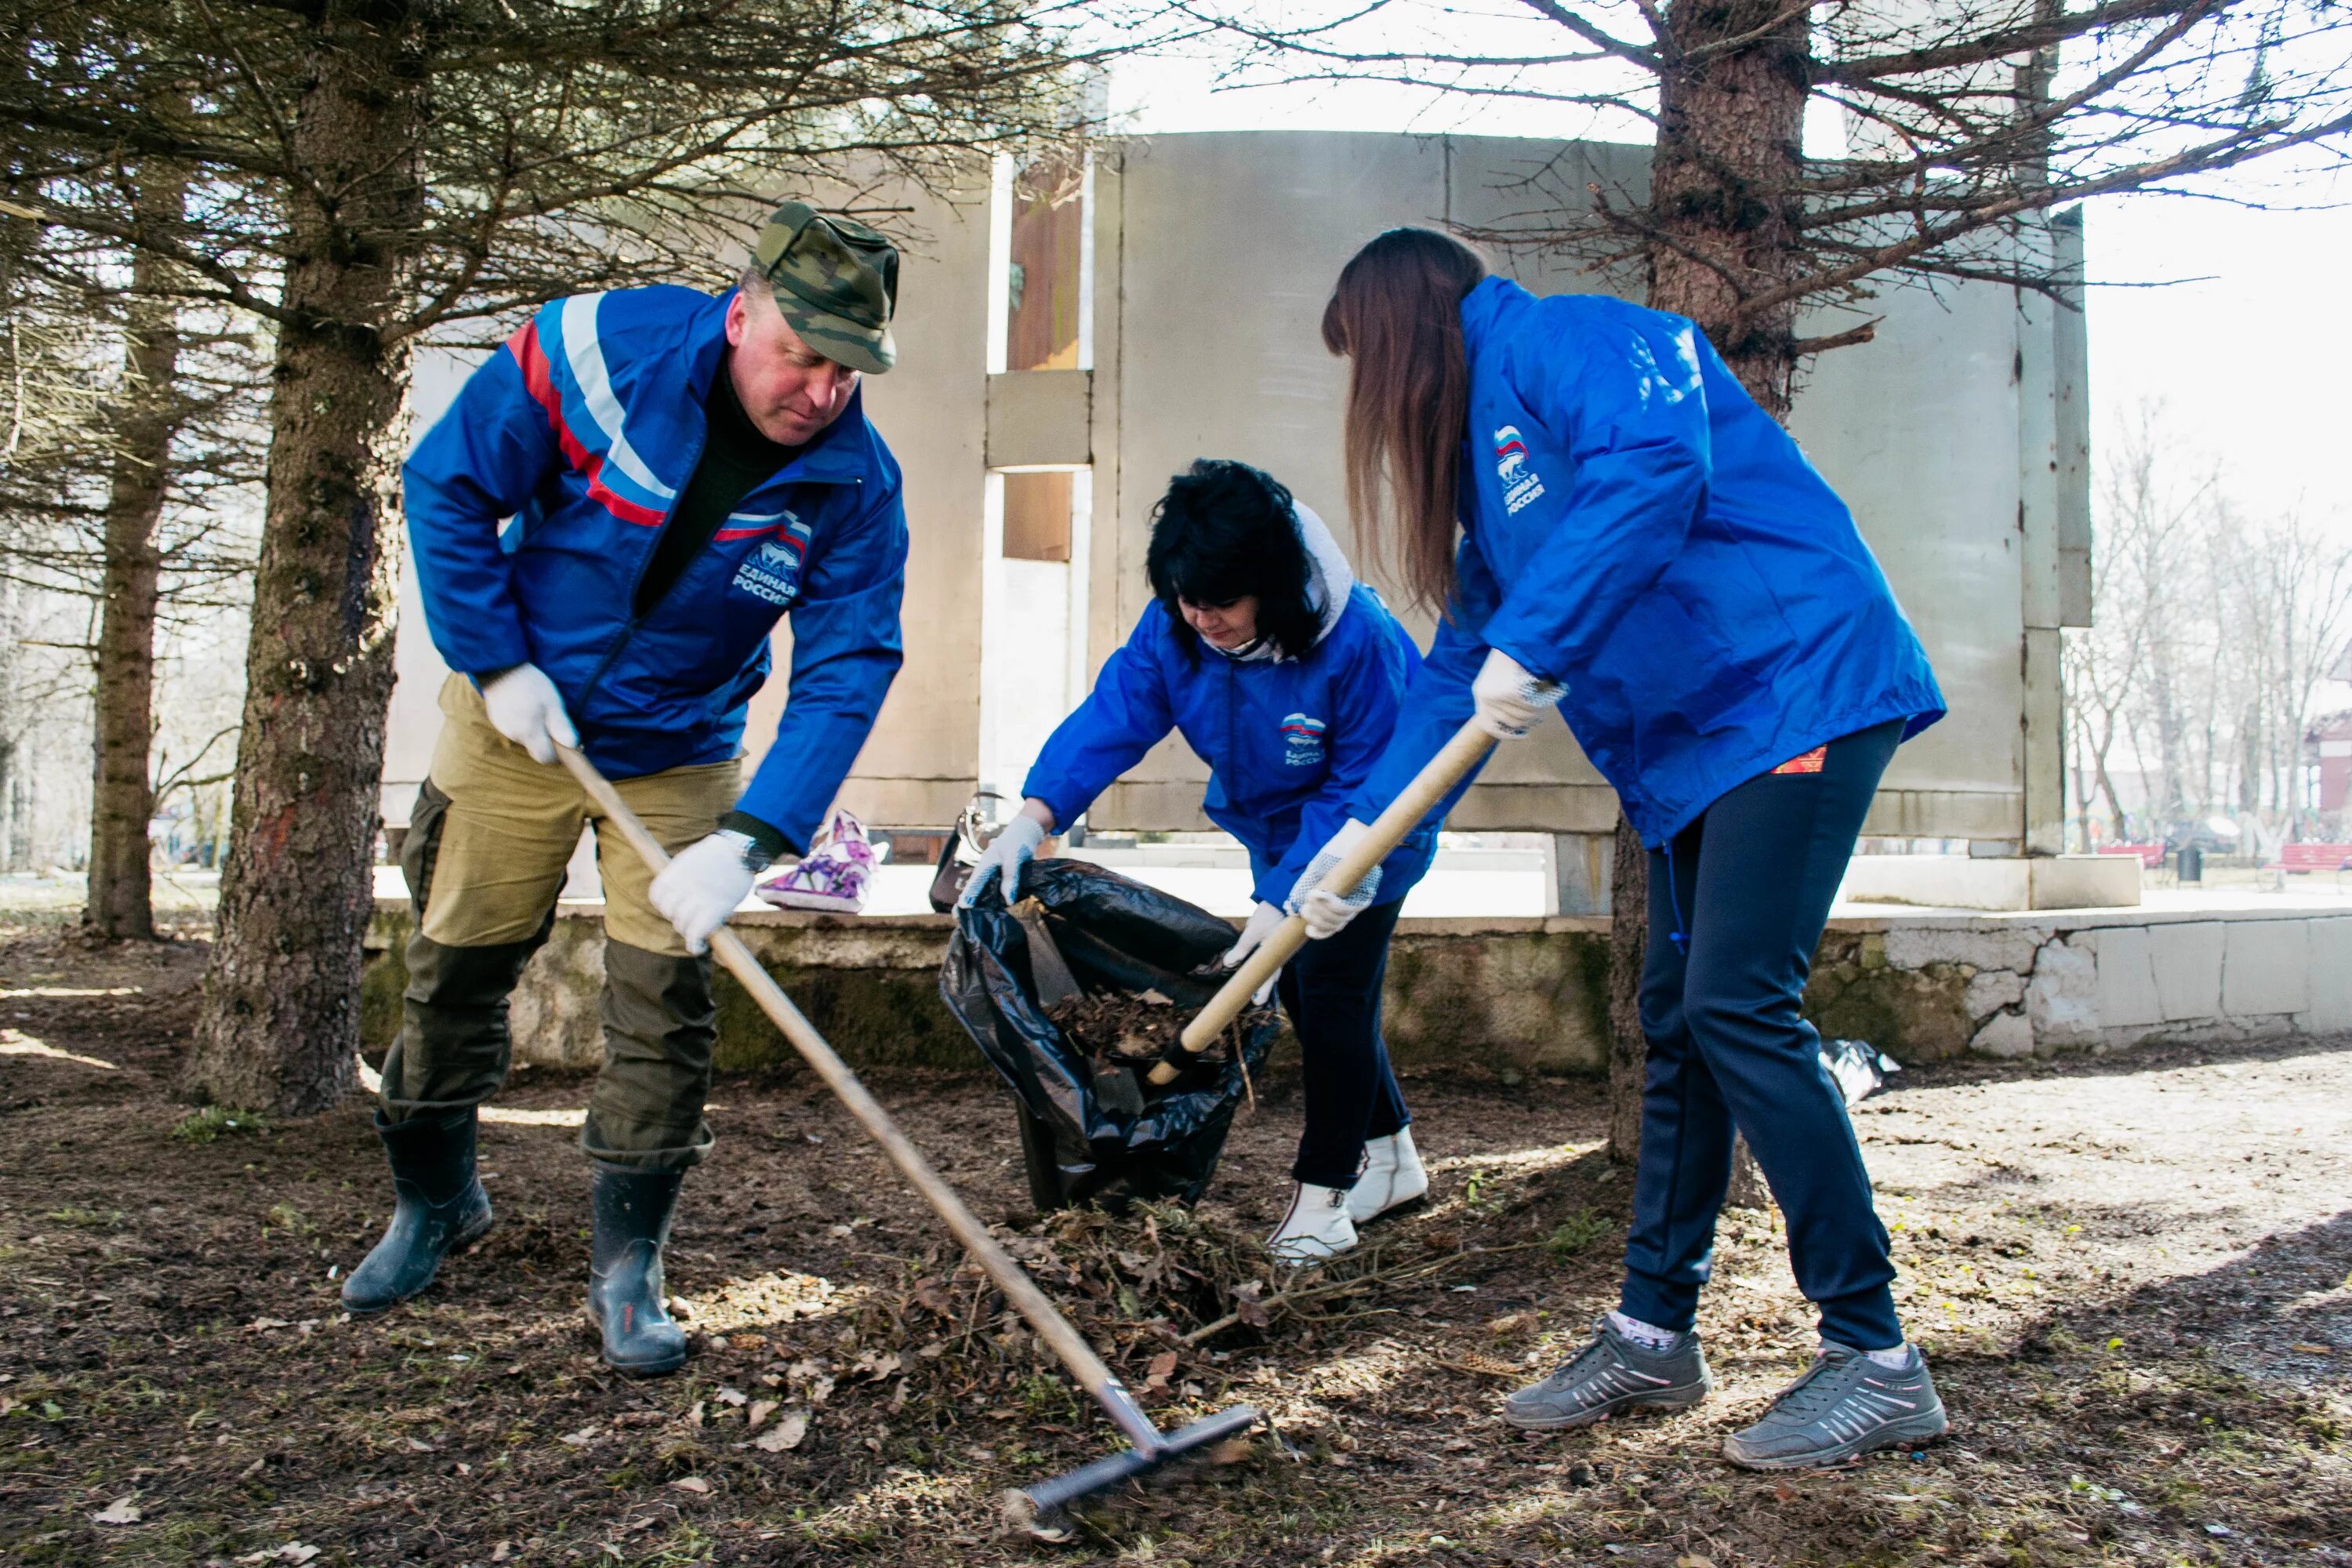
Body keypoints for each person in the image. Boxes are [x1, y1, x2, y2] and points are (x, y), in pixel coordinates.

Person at [1307, 228, 1951, 1468]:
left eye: (1365, 362)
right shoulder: (1486, 487)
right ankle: (1654, 1333)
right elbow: (1459, 675)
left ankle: (1876, 1362)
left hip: (1794, 686)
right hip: (1701, 742)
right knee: (1677, 1018)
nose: (1369, 400)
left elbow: (1658, 465)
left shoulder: (1566, 339)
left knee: (1739, 1003)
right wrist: (1354, 844)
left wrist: (1534, 641)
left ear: (1399, 329)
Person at [347, 203, 910, 1377]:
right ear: (742, 307)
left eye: (847, 370)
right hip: (519, 718)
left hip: (677, 746)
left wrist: (754, 836)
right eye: (799, 354)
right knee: (454, 965)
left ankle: (628, 1267)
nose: (818, 391)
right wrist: (493, 658)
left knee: (664, 997)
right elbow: (447, 484)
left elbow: (850, 660)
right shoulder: (595, 352)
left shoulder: (854, 484)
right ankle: (434, 1204)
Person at [961, 459, 1466, 1264]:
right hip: (1274, 835)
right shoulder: (1180, 624)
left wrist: (1283, 901)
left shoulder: (1357, 644)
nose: (1203, 618)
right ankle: (1393, 1157)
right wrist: (1037, 811)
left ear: (1274, 585)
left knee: (1332, 995)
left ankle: (1326, 1194)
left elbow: (1366, 787)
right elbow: (1120, 709)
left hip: (1366, 845)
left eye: (1222, 603)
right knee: (1306, 991)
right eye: (1187, 599)